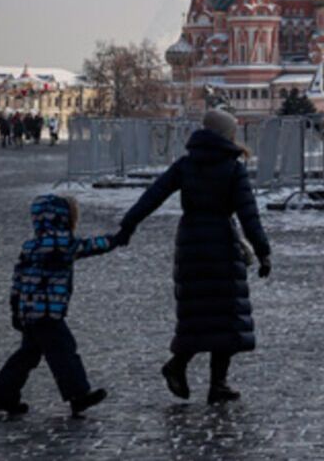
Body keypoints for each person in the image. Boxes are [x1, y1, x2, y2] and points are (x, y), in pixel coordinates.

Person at [114, 108, 271, 404]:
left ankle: (178, 365)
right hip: (223, 243)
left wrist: (128, 225)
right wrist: (263, 251)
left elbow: (153, 195)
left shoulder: (186, 164)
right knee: (227, 316)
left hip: (190, 242)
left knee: (197, 313)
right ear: (227, 135)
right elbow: (248, 215)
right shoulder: (232, 168)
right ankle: (217, 383)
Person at [0, 194, 124, 417]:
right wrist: (115, 240)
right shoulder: (61, 243)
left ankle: (4, 394)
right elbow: (89, 246)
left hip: (29, 312)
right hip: (48, 313)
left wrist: (16, 309)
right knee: (64, 352)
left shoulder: (30, 246)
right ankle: (78, 395)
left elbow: (18, 280)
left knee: (27, 355)